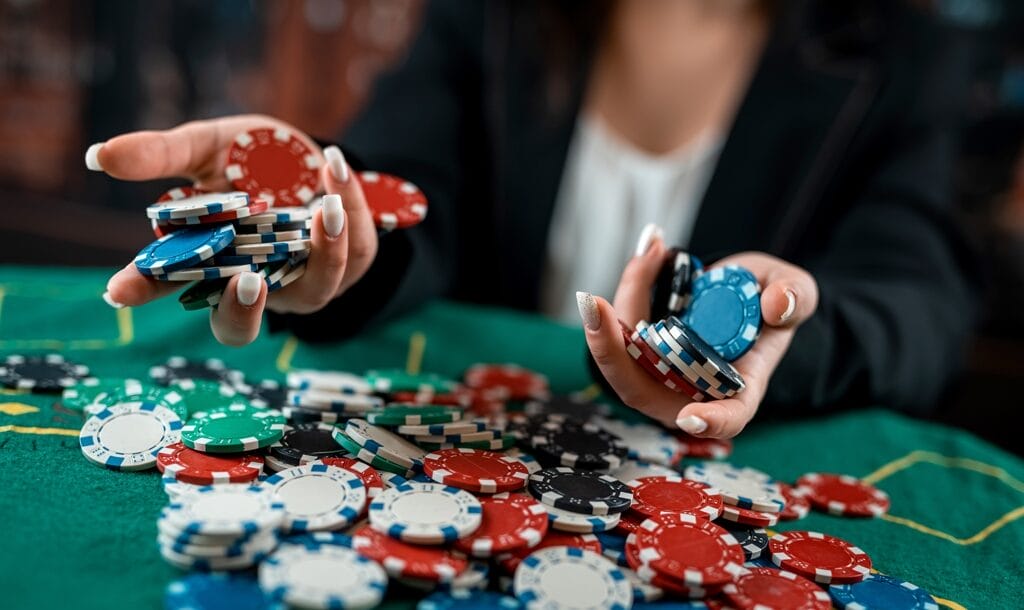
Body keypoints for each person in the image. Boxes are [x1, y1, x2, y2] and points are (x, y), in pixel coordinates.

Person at [89, 0, 977, 439]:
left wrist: (788, 323)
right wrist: (340, 231)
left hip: (718, 468)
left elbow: (921, 305)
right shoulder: (495, 12)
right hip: (479, 447)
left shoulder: (910, 51)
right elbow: (407, 195)